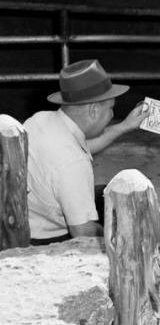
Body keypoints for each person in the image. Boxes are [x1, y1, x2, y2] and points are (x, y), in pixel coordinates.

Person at [24, 59, 148, 244]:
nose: (113, 115)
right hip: (45, 240)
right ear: (94, 110)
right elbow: (82, 231)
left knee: (109, 194)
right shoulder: (72, 163)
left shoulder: (40, 120)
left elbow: (83, 146)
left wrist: (125, 127)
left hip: (27, 218)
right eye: (111, 109)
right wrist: (119, 239)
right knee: (128, 209)